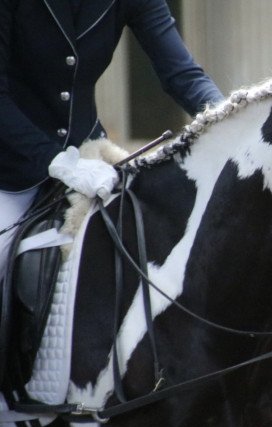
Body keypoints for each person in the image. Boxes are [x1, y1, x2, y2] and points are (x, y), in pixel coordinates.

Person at [0, 0, 224, 281]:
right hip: (10, 168)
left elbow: (183, 75)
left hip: (90, 157)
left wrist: (235, 117)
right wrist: (54, 160)